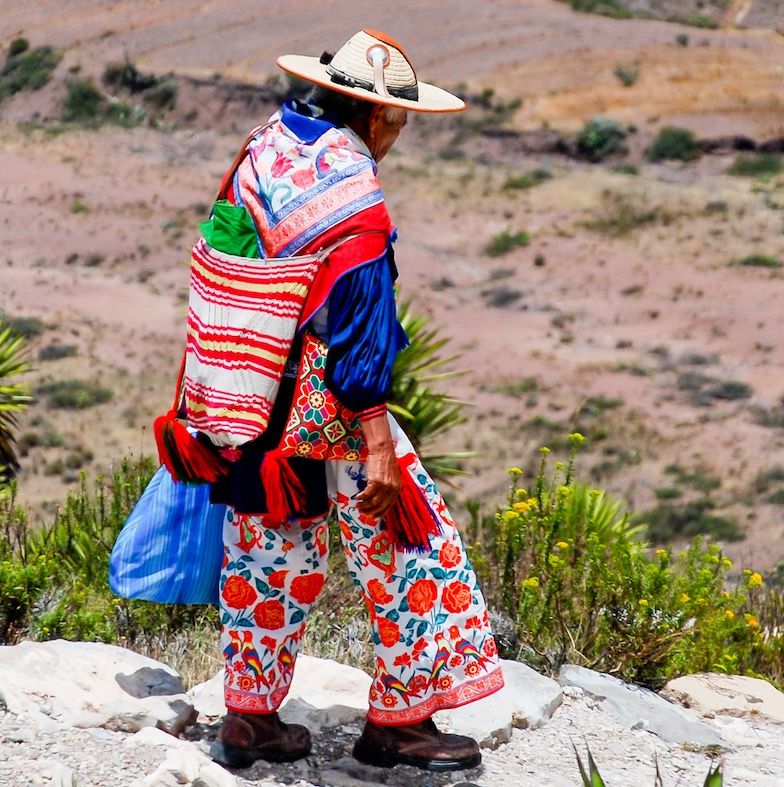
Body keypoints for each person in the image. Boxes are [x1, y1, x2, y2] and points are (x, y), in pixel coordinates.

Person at [200, 30, 503, 773]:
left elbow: (225, 243)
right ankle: (401, 721)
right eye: (397, 125)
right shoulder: (353, 187)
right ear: (371, 116)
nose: (397, 140)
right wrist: (377, 444)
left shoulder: (265, 143)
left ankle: (249, 718)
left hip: (247, 384)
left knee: (268, 546)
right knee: (408, 541)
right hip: (327, 396)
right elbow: (362, 318)